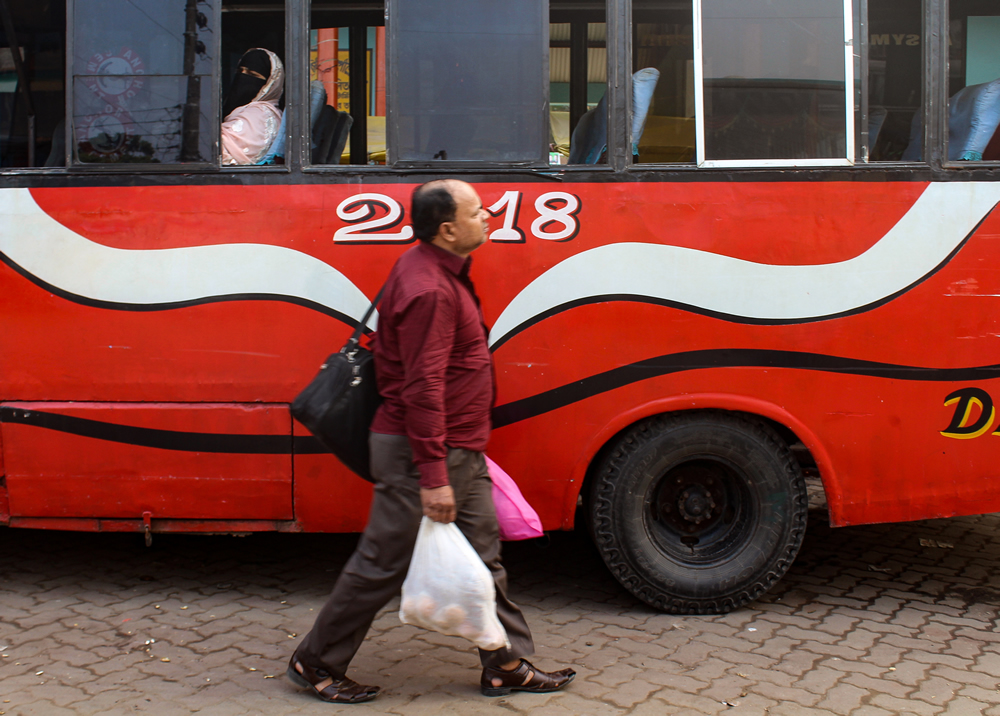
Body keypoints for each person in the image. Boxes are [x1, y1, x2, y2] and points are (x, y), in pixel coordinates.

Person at [287, 180, 576, 704]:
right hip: (421, 455)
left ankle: (505, 663)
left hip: (457, 449)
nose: (488, 216)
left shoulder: (436, 270)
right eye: (477, 211)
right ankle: (316, 661)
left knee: (485, 556)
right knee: (382, 563)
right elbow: (422, 387)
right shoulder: (430, 290)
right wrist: (435, 476)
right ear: (448, 229)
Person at [220, 48, 283, 165]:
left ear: (269, 83)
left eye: (252, 74)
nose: (243, 77)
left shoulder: (260, 113)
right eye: (240, 71)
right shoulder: (250, 110)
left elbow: (216, 149)